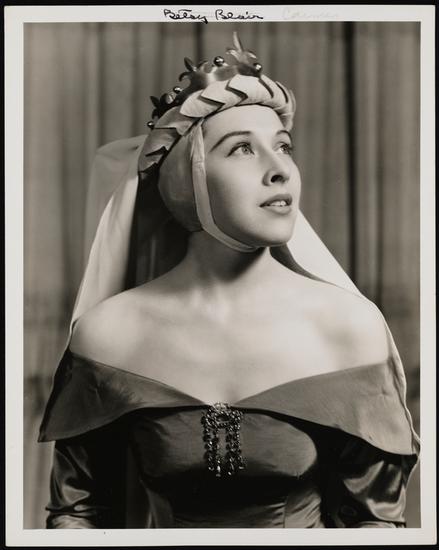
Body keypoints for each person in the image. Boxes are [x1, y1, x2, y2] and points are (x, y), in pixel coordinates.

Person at [38, 33, 419, 529]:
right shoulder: (108, 333)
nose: (280, 170)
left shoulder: (350, 327)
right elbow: (78, 517)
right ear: (186, 181)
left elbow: (375, 526)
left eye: (283, 147)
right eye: (242, 149)